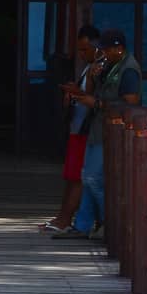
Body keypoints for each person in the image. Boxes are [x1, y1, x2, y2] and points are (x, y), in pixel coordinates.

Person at [53, 27, 141, 241]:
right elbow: (97, 93)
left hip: (111, 131)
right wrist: (91, 83)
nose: (103, 53)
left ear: (118, 49)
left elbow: (131, 103)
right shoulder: (111, 66)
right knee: (88, 177)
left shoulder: (128, 69)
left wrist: (97, 103)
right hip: (97, 129)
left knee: (92, 179)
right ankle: (82, 226)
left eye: (107, 49)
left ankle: (111, 224)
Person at [44, 24, 101, 234]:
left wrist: (76, 93)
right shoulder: (88, 67)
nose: (82, 53)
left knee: (78, 177)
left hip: (88, 130)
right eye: (80, 49)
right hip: (77, 128)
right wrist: (72, 95)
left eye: (86, 49)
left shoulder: (97, 68)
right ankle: (63, 217)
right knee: (71, 176)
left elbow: (96, 99)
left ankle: (66, 218)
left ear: (97, 47)